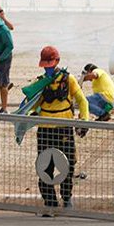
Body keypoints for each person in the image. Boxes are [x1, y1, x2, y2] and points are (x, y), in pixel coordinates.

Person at [26, 45, 89, 211]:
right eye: (45, 65)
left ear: (58, 61)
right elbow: (33, 104)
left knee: (67, 165)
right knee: (44, 166)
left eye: (50, 64)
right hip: (45, 129)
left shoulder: (69, 80)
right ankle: (49, 201)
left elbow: (82, 101)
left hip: (64, 127)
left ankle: (67, 198)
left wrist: (84, 120)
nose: (48, 68)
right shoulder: (41, 82)